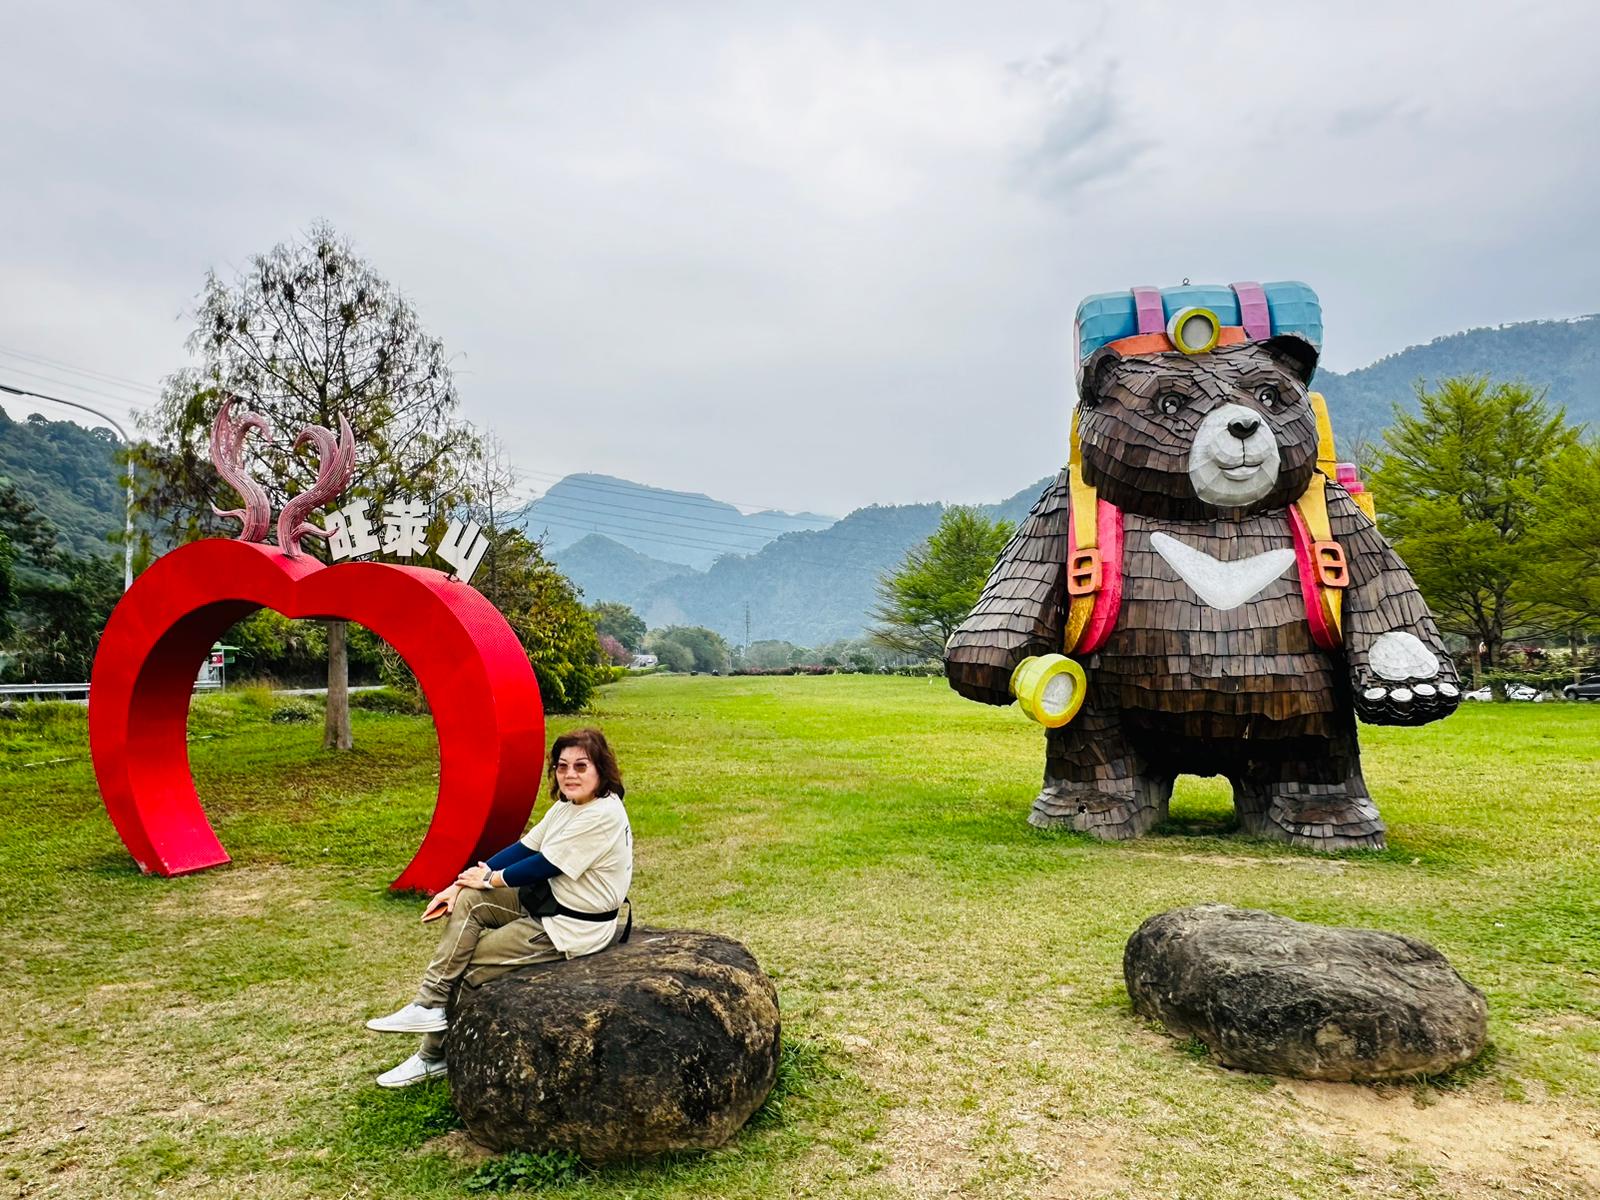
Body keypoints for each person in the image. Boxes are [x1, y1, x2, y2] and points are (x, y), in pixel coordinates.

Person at [365, 727, 633, 1087]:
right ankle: (427, 1004)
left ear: (601, 769)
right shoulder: (567, 807)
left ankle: (433, 1056)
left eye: (581, 766)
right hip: (550, 899)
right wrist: (457, 886)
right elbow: (524, 849)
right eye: (562, 766)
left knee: (468, 964)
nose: (569, 774)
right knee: (470, 901)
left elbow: (543, 865)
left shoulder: (602, 814)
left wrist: (490, 880)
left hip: (569, 925)